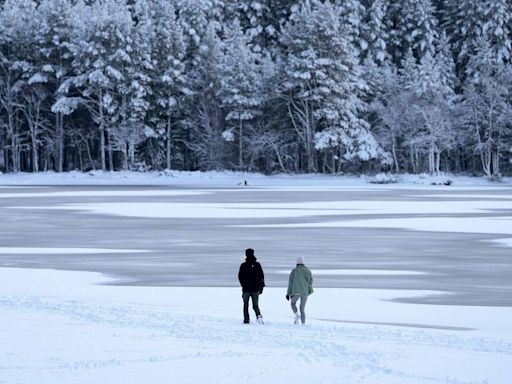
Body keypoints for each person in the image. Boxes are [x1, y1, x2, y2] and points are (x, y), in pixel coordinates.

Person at [238, 248, 265, 324]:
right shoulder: (257, 265)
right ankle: (259, 317)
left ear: (246, 254)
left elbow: (240, 277)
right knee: (255, 305)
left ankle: (246, 320)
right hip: (255, 289)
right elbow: (262, 276)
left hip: (246, 289)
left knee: (245, 305)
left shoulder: (243, 265)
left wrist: (243, 285)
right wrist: (261, 287)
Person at [286, 256, 313, 325]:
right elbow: (311, 281)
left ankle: (296, 315)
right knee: (302, 308)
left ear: (297, 263)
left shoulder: (294, 271)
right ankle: (303, 323)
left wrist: (288, 293)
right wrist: (307, 287)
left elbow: (290, 283)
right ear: (303, 262)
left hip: (296, 291)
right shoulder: (308, 271)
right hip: (305, 292)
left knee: (292, 303)